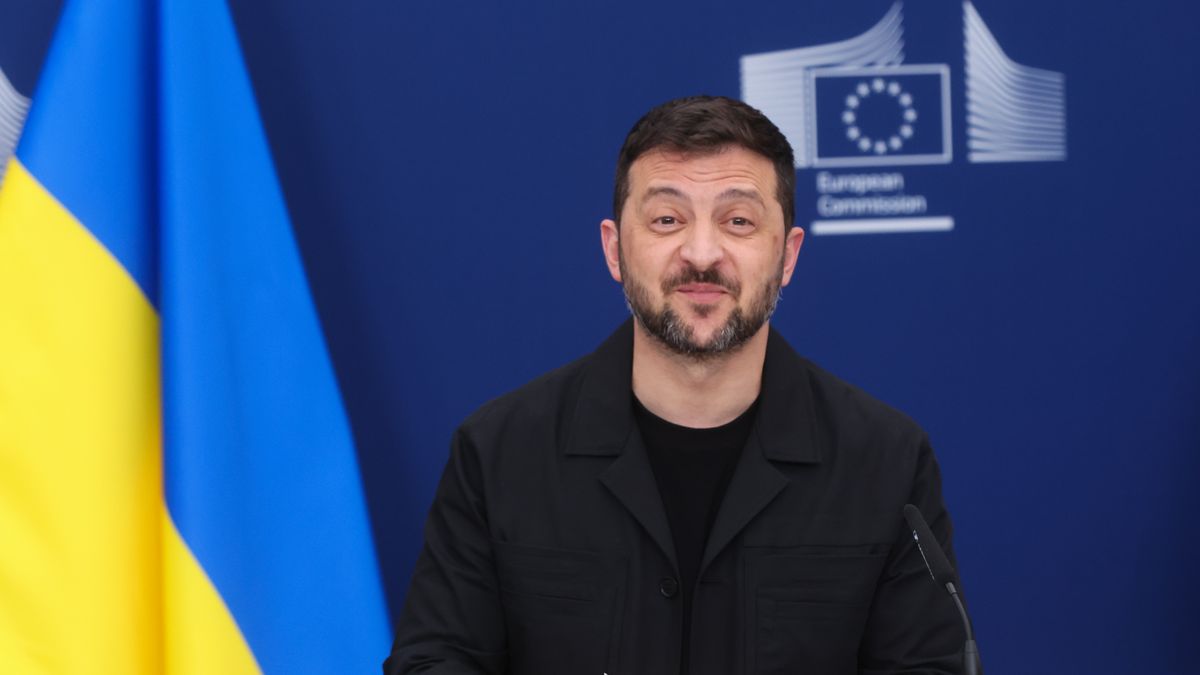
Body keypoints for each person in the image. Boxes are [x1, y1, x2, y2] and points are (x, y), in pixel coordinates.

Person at [384, 95, 968, 674]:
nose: (702, 253)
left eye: (738, 221)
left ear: (787, 256)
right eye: (668, 220)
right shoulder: (499, 454)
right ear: (615, 249)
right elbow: (436, 661)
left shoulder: (885, 461)